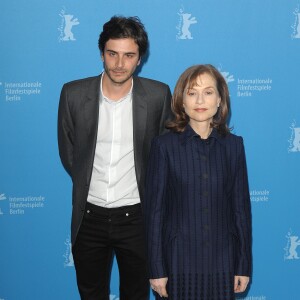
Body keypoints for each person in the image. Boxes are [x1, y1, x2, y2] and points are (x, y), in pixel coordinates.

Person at [57, 16, 172, 300]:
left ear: (139, 59)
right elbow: (70, 154)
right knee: (91, 294)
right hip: (89, 217)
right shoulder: (73, 94)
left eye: (128, 55)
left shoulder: (158, 96)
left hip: (137, 218)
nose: (119, 64)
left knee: (135, 295)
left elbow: (163, 155)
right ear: (102, 54)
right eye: (112, 54)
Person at [144, 64, 252, 299]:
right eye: (192, 93)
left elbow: (241, 211)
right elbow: (155, 214)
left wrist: (243, 264)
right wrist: (156, 268)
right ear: (181, 101)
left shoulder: (234, 146)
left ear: (220, 100)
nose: (200, 100)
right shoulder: (164, 147)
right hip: (178, 261)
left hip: (223, 260)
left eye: (208, 92)